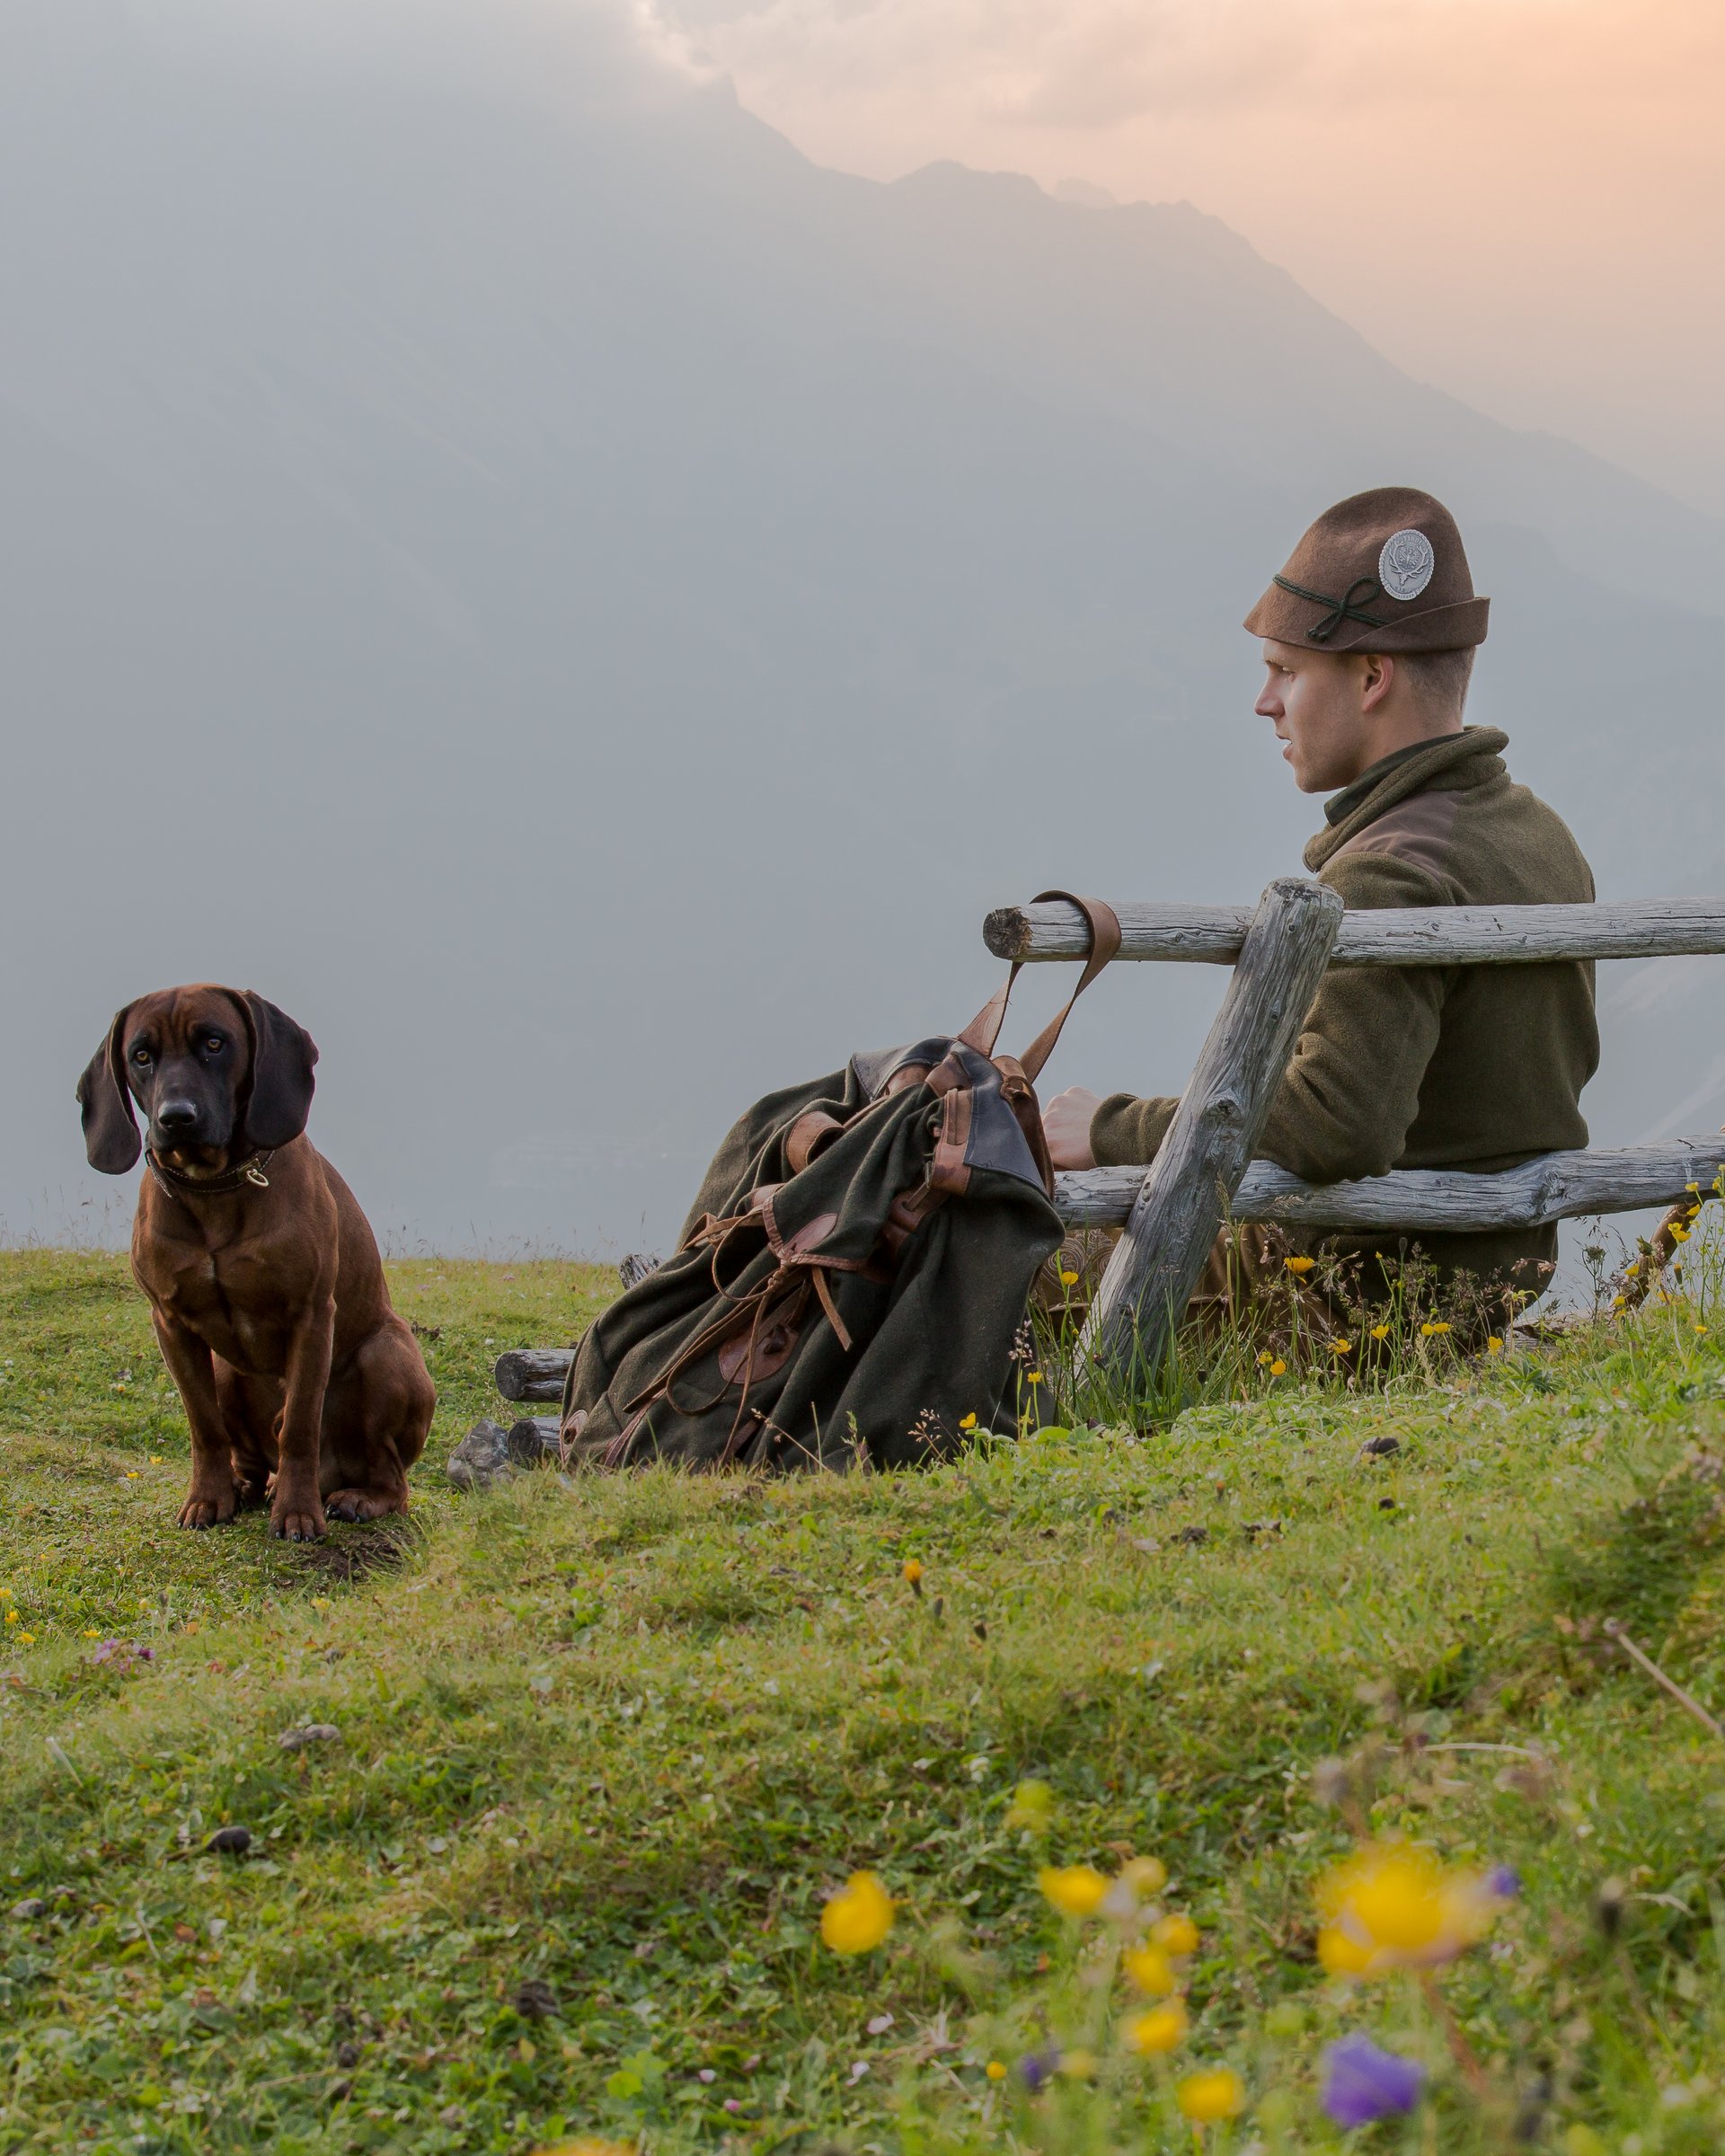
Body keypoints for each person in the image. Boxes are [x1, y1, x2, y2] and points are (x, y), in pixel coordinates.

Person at [1041, 484, 1599, 1327]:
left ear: (1372, 676)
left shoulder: (1389, 872)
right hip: (1482, 1276)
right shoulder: (1540, 836)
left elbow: (1337, 1125)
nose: (1265, 703)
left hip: (1348, 1295)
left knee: (990, 1260)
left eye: (1285, 671)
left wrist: (1109, 1129)